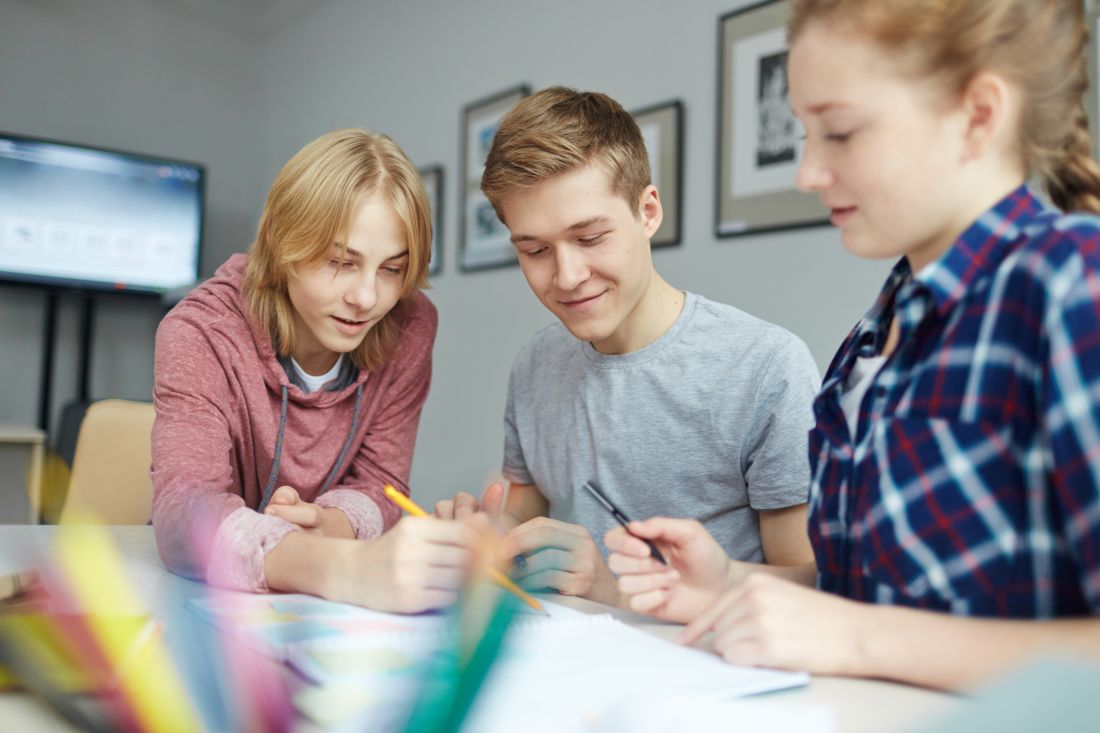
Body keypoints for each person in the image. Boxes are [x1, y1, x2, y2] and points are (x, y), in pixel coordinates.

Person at [608, 0, 1100, 690]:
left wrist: (856, 637)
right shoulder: (872, 337)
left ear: (978, 114)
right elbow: (882, 591)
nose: (807, 172)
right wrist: (729, 584)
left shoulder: (1073, 284)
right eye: (806, 133)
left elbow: (871, 630)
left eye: (838, 132)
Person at [436, 87, 820, 607]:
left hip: (704, 666)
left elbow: (811, 586)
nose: (567, 276)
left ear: (648, 211)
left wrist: (610, 585)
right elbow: (525, 514)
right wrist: (489, 534)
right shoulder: (536, 364)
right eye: (535, 250)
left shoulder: (765, 368)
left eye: (591, 238)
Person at [152, 129, 486, 613]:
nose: (367, 298)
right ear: (280, 243)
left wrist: (326, 524)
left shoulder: (411, 326)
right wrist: (340, 566)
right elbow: (184, 513)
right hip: (199, 602)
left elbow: (382, 484)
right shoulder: (199, 331)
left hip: (319, 608)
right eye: (340, 262)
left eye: (392, 269)